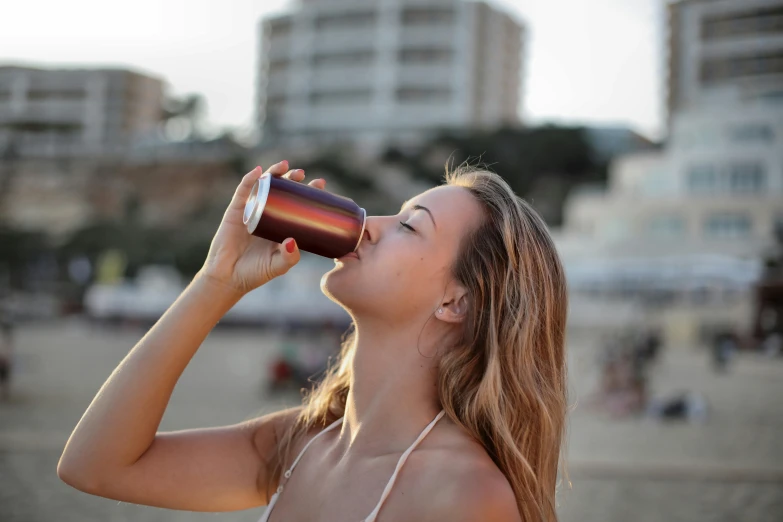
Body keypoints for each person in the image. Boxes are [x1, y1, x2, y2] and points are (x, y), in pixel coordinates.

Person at [57, 162, 569, 522]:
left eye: (410, 227)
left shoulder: (465, 496)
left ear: (456, 302)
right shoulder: (302, 444)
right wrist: (216, 281)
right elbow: (95, 466)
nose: (368, 225)